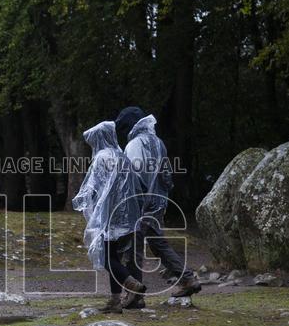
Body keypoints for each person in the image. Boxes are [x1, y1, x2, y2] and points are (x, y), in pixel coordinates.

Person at [114, 106, 201, 308]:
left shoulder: (135, 144)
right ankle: (187, 278)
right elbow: (166, 176)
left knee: (133, 249)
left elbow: (133, 177)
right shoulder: (158, 142)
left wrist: (130, 204)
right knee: (157, 243)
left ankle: (135, 295)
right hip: (158, 202)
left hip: (140, 203)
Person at [73, 121, 146, 313]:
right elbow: (136, 186)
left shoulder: (101, 158)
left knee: (106, 257)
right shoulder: (121, 156)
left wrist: (91, 211)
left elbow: (93, 189)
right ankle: (115, 301)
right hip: (125, 216)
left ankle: (131, 284)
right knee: (113, 255)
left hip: (107, 216)